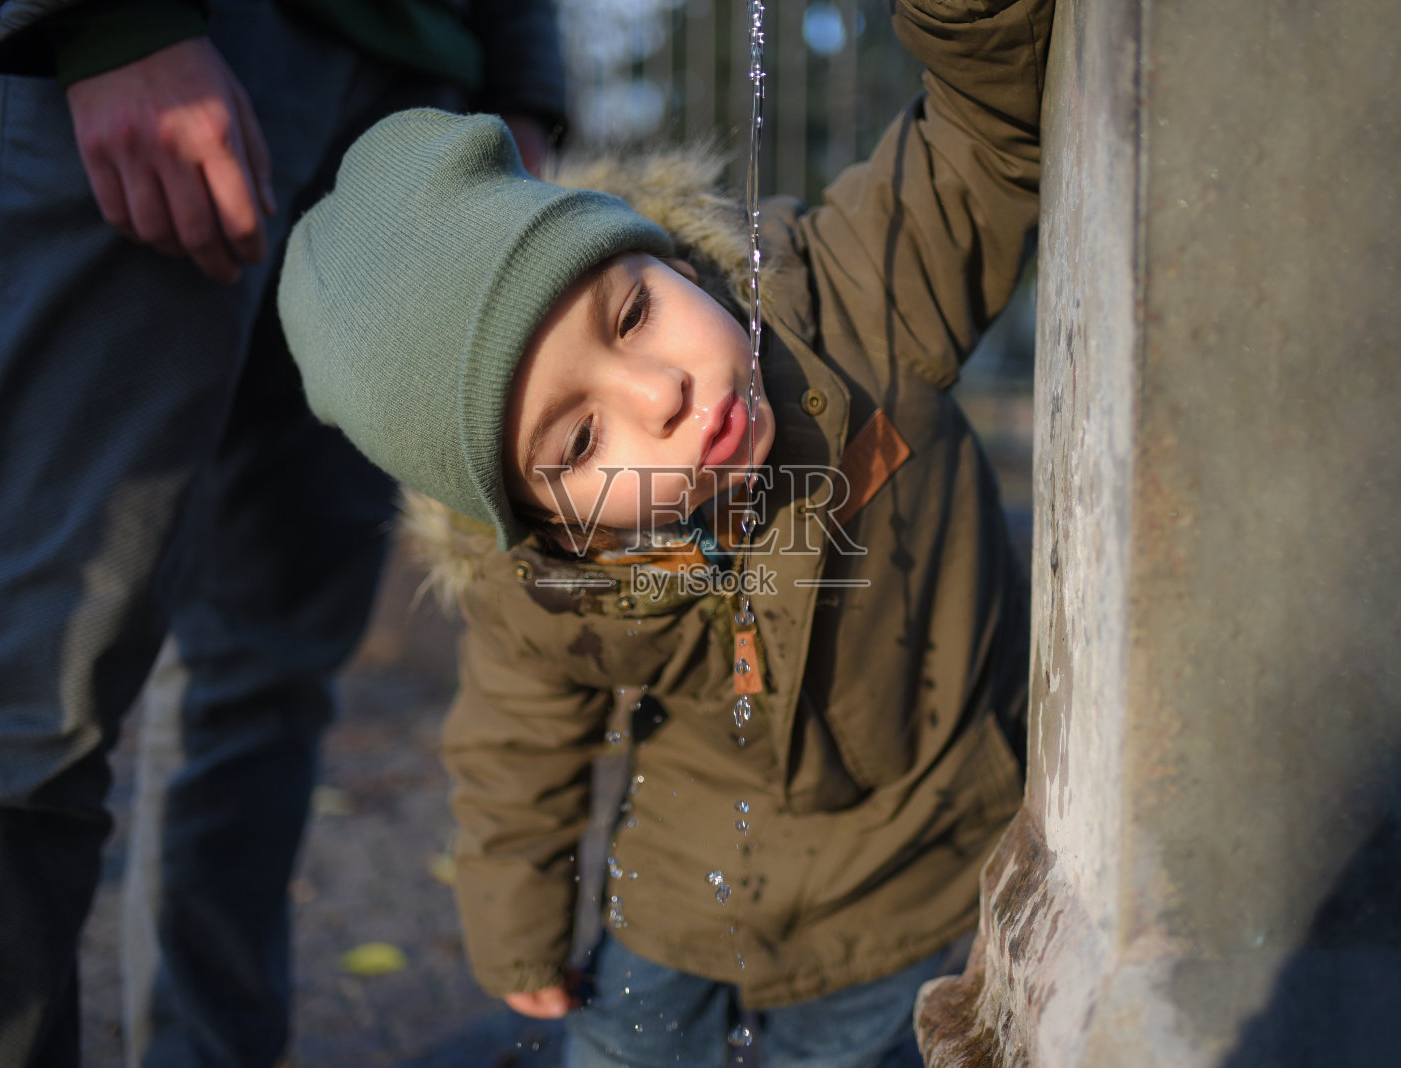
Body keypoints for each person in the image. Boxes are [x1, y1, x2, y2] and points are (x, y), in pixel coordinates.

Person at [279, 0, 1049, 1061]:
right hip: (690, 887)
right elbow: (514, 748)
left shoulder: (850, 311)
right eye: (582, 434)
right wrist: (522, 940)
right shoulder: (542, 588)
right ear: (537, 518)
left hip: (915, 867)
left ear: (671, 262)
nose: (660, 393)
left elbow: (985, 139)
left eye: (633, 314)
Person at [0, 1, 561, 1065]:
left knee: (267, 677)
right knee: (23, 689)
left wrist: (524, 87)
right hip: (149, 38)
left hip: (415, 81)